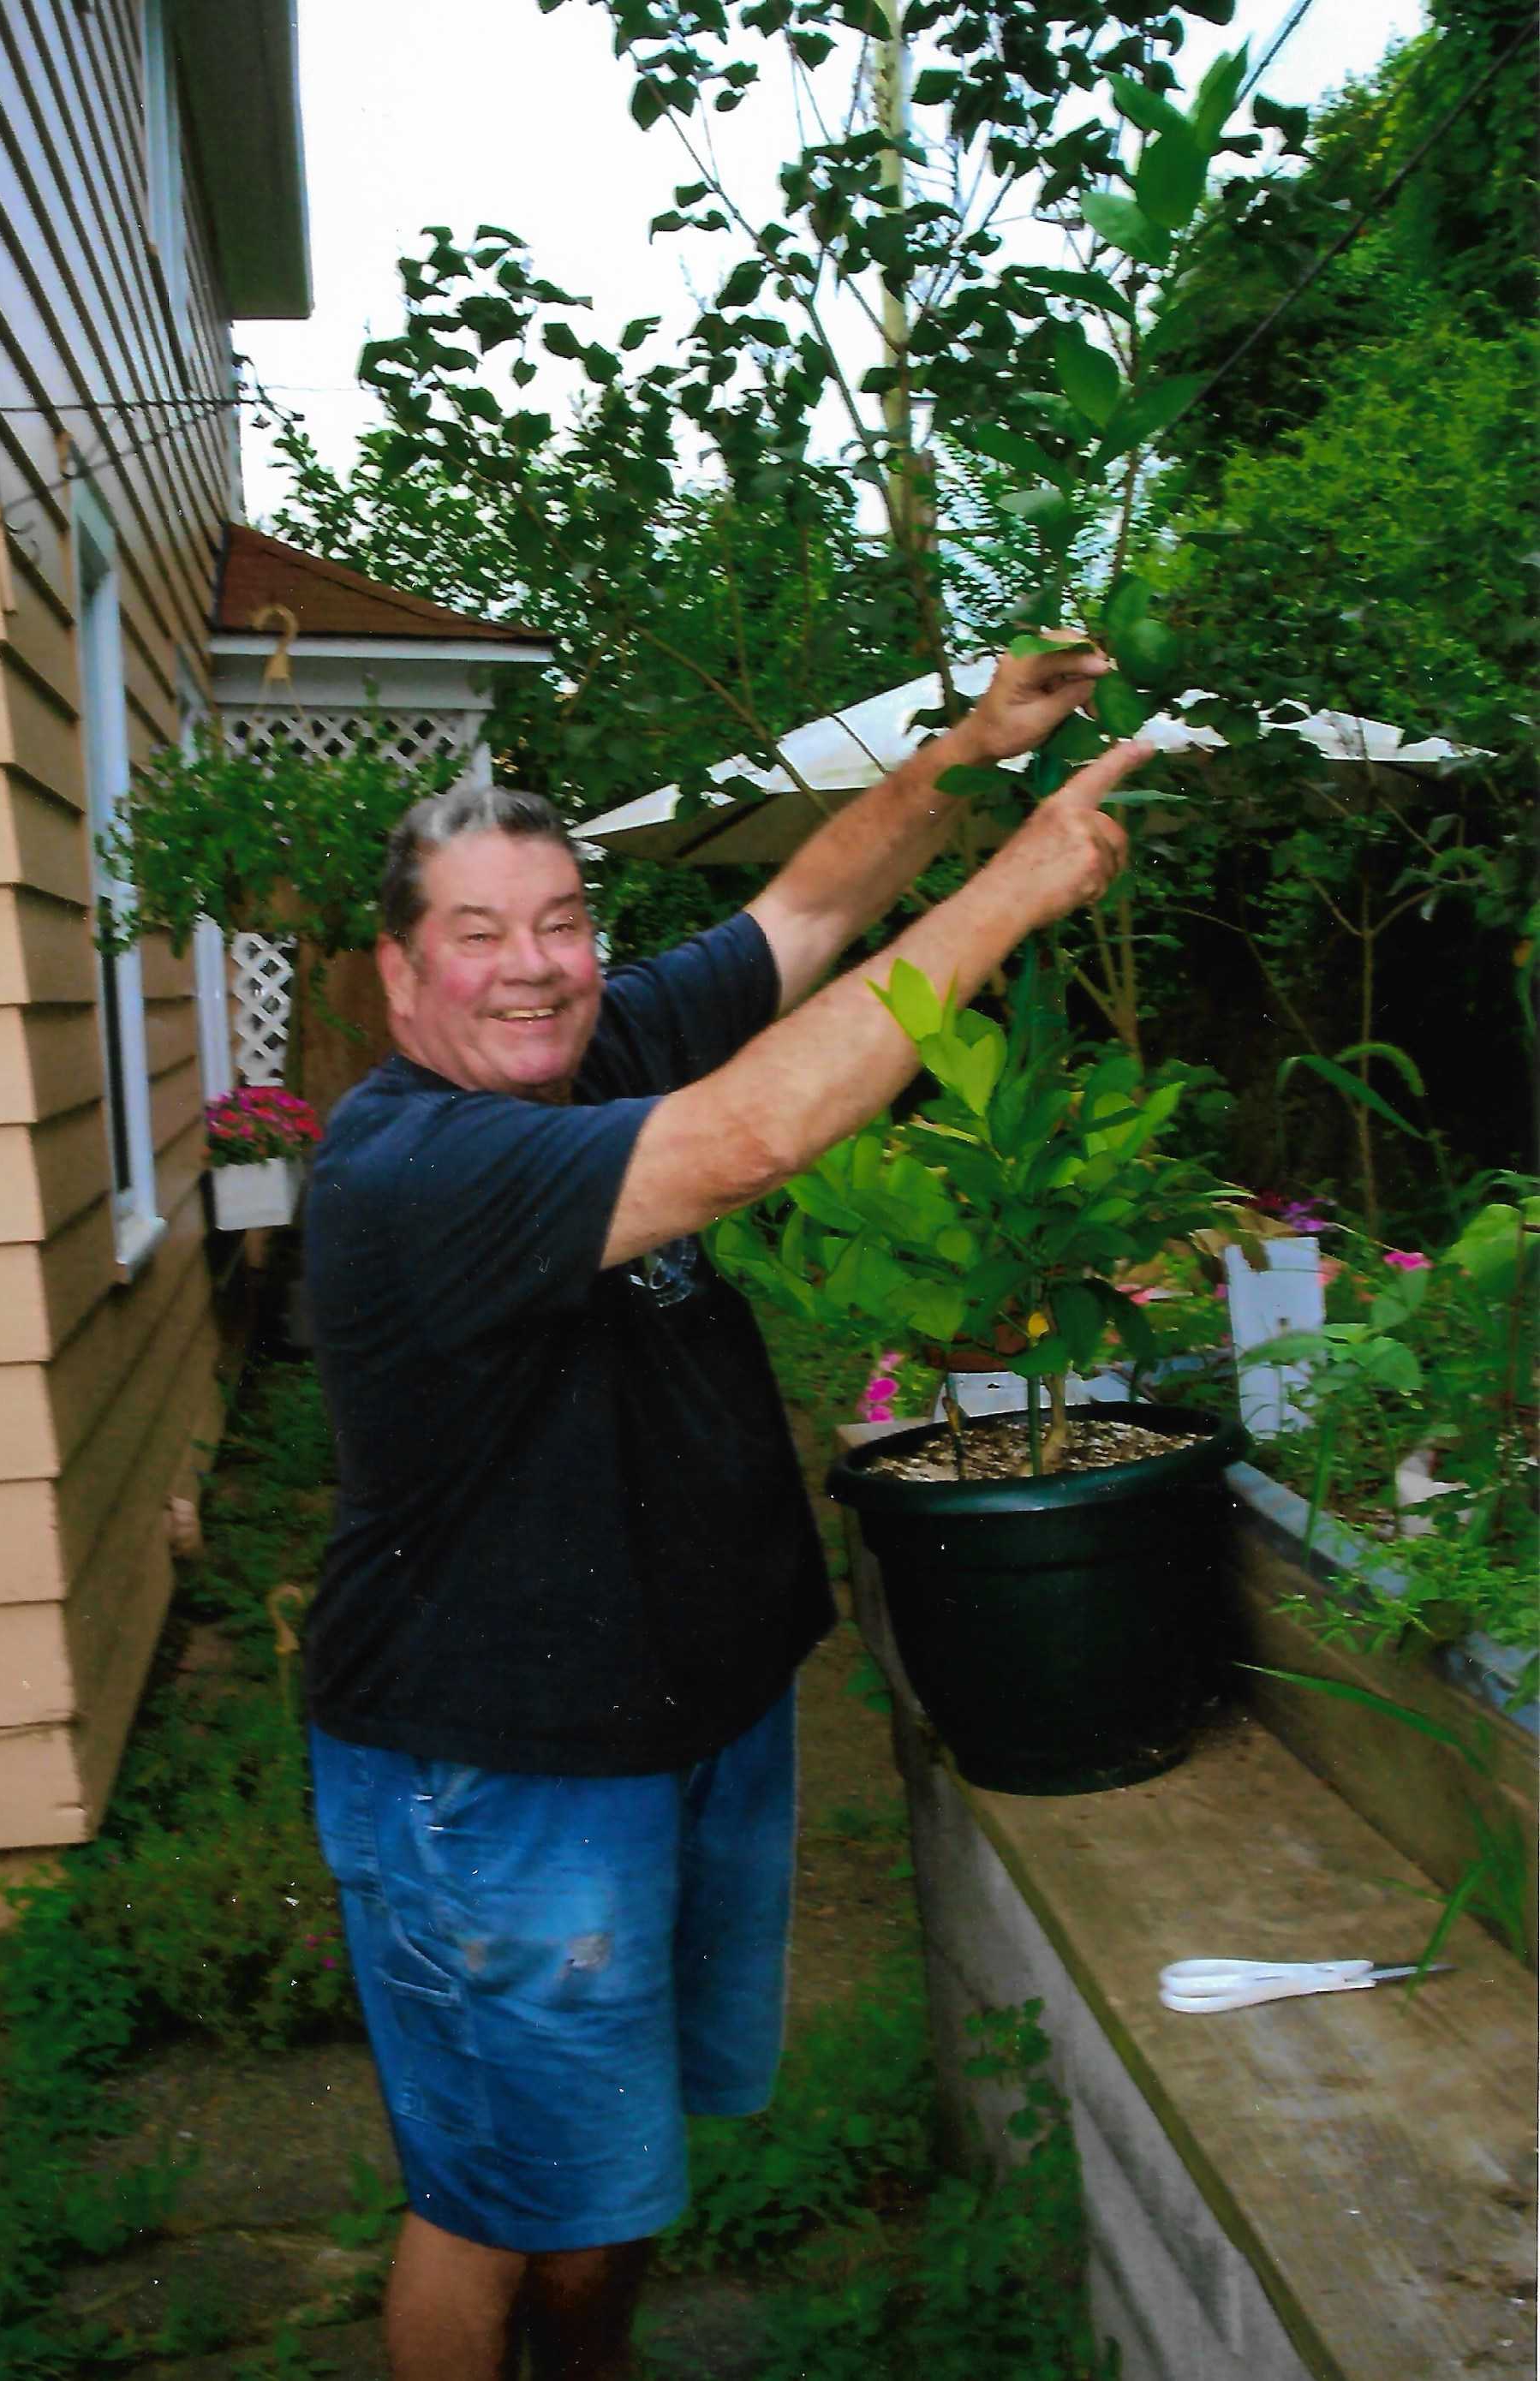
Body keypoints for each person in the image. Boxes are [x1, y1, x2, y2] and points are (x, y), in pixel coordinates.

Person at [302, 641, 1143, 2381]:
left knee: (603, 2184)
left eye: (560, 920)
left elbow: (802, 917)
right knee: (493, 2190)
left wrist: (964, 753)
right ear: (398, 973)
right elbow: (751, 1136)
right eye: (481, 932)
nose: (535, 968)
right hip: (504, 1775)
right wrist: (1014, 884)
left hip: (680, 1721)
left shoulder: (586, 1039)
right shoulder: (417, 1169)